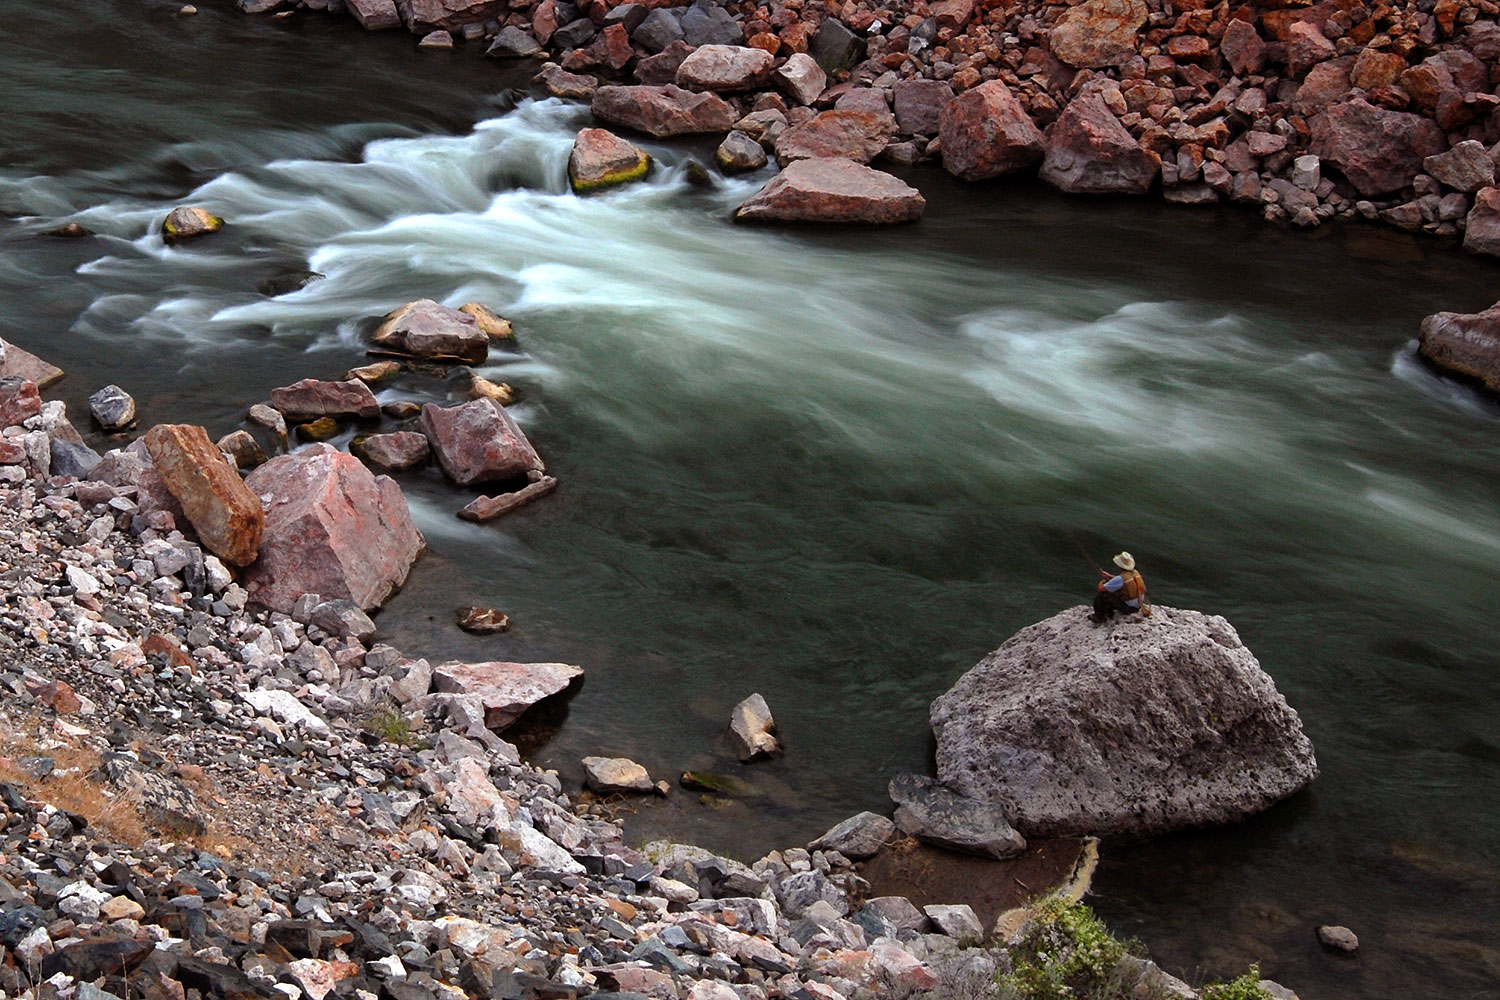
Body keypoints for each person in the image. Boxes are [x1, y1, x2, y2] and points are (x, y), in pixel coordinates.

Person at [1091, 551, 1149, 624]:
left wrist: (1102, 582)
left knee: (1102, 594)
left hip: (1128, 608)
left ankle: (1099, 616)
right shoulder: (1135, 573)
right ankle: (1108, 613)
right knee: (1112, 592)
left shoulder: (1120, 579)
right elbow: (1125, 581)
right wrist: (1110, 576)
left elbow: (1101, 588)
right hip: (1138, 605)